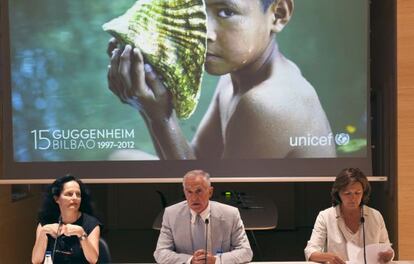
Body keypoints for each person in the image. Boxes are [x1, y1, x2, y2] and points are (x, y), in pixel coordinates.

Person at [106, 0, 336, 160]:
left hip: (266, 225)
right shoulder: (237, 74)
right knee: (120, 158)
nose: (203, 32)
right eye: (197, 13)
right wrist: (148, 95)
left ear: (278, 14)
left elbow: (208, 204)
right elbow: (199, 159)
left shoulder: (266, 102)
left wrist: (159, 116)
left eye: (225, 12)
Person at [153, 170, 253, 264]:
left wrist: (216, 261)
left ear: (210, 192)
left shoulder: (230, 214)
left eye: (199, 191)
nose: (194, 198)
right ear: (184, 192)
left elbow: (246, 252)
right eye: (189, 192)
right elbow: (160, 253)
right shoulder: (171, 214)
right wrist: (190, 260)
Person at [304, 168, 394, 264]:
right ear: (338, 193)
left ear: (364, 192)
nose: (353, 198)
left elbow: (387, 248)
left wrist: (388, 255)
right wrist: (329, 257)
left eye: (358, 193)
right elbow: (310, 251)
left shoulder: (375, 216)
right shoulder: (325, 216)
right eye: (347, 193)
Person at [31, 174, 101, 264]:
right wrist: (43, 232)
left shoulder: (91, 224)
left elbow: (93, 260)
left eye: (78, 194)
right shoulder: (46, 222)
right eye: (69, 194)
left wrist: (81, 234)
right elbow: (36, 260)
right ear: (57, 198)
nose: (75, 198)